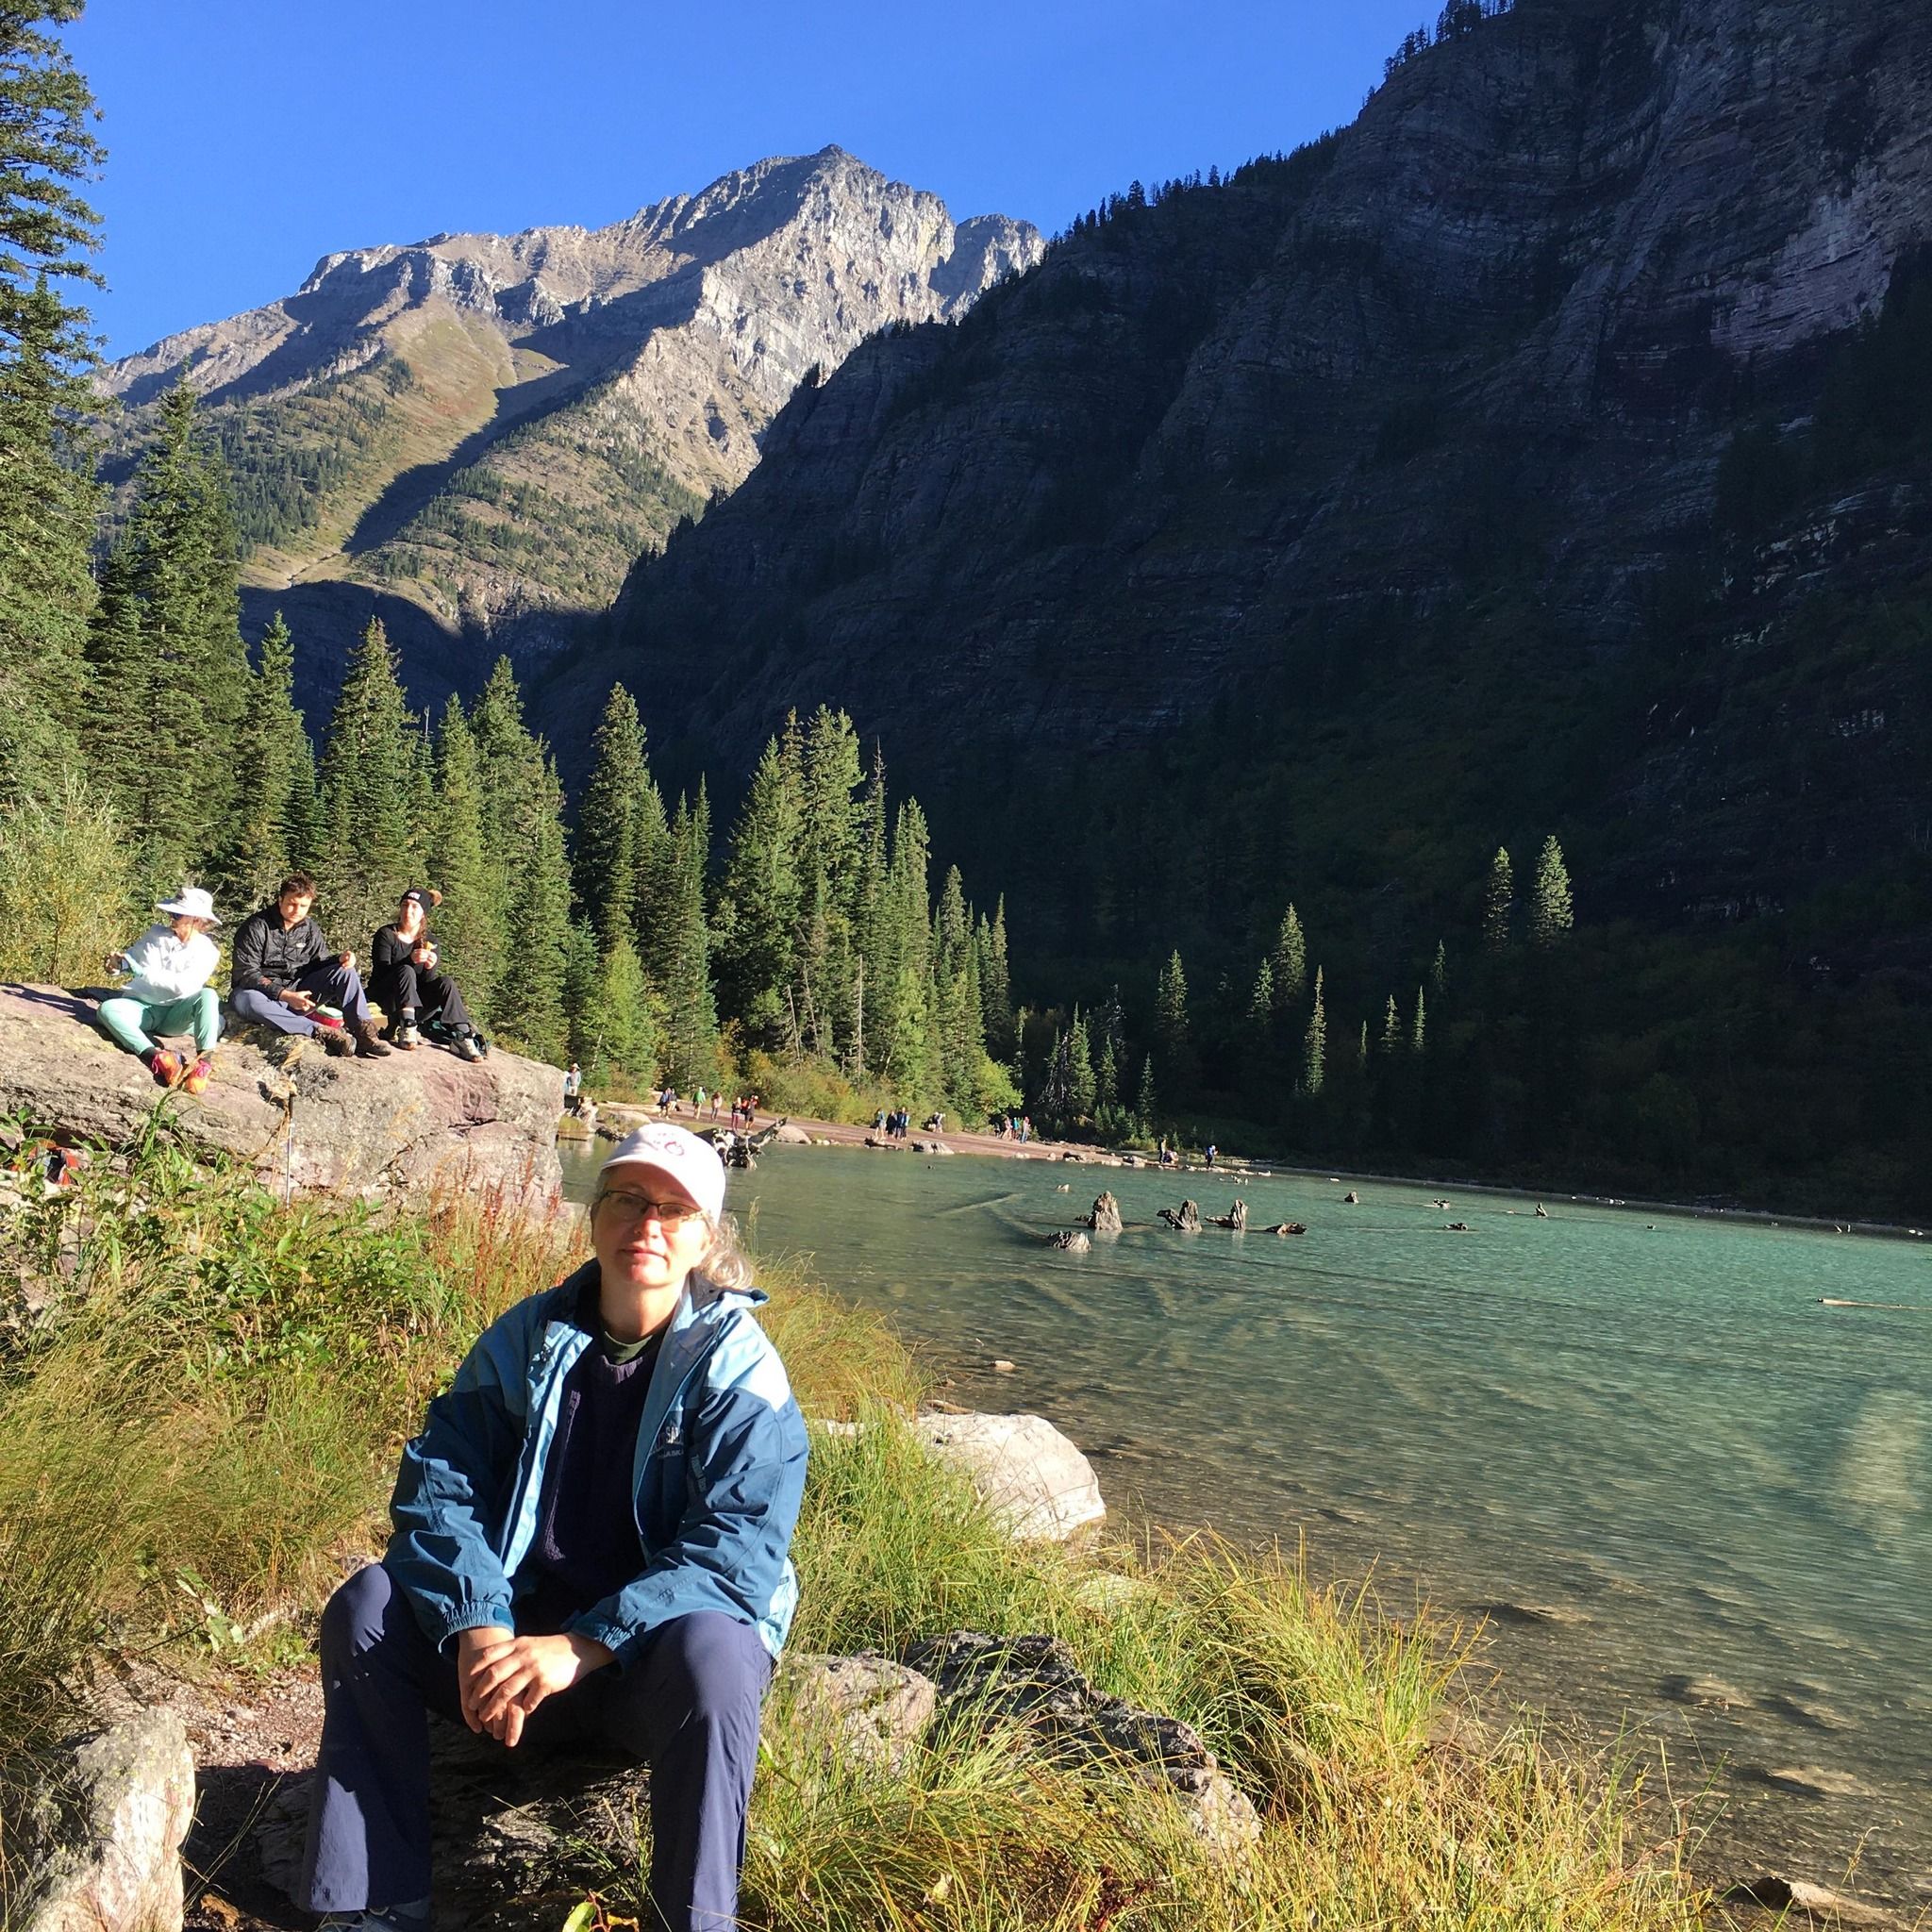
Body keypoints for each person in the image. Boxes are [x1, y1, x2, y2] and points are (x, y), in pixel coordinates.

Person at [297, 1124, 808, 1932]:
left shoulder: (741, 1370)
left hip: (643, 1670)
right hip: (511, 1666)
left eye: (674, 1211)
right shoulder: (527, 1338)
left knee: (721, 1653)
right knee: (367, 1607)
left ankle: (695, 1919)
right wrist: (478, 1622)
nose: (648, 1227)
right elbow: (440, 1482)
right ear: (596, 1216)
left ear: (706, 1237)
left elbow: (737, 1547)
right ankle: (377, 1902)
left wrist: (587, 1645)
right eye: (629, 1201)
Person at [229, 874, 391, 1059]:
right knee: (249, 999)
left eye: (303, 906)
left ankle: (363, 1035)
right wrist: (285, 995)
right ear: (280, 900)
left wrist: (340, 959)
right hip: (260, 996)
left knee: (345, 972)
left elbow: (319, 962)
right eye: (292, 903)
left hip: (299, 995)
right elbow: (246, 973)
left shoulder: (309, 929)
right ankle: (319, 1031)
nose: (297, 910)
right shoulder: (256, 927)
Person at [98, 886, 224, 1093]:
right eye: (171, 912)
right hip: (140, 1007)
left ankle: (202, 1064)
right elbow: (131, 960)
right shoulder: (155, 935)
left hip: (176, 1013)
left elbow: (185, 986)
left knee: (208, 995)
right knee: (107, 1010)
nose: (171, 917)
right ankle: (159, 1058)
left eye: (177, 913)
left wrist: (141, 972)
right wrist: (116, 966)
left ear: (197, 920)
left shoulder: (207, 951)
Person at [370, 889, 482, 1061]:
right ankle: (407, 1027)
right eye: (405, 905)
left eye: (415, 907)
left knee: (446, 982)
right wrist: (409, 961)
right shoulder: (386, 935)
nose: (408, 911)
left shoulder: (431, 941)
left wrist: (430, 967)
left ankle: (463, 1036)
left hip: (417, 1007)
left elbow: (426, 983)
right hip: (386, 998)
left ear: (423, 913)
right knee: (406, 970)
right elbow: (381, 972)